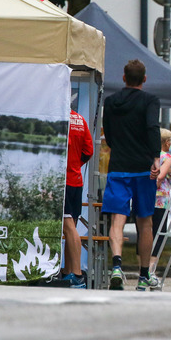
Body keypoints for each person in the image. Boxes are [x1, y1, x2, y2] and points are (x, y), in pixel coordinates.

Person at [102, 59, 162, 291]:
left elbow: (108, 133)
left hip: (118, 166)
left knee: (117, 219)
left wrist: (119, 149)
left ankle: (117, 266)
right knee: (145, 222)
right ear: (144, 79)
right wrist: (155, 158)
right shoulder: (150, 101)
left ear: (124, 78)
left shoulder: (111, 101)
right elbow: (152, 128)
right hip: (143, 169)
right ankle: (144, 274)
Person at [61, 106, 94, 288]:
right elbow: (88, 151)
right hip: (76, 181)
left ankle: (77, 275)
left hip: (63, 180)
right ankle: (67, 272)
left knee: (69, 228)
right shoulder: (80, 119)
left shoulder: (58, 118)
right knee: (70, 228)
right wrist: (75, 163)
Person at [147, 128, 171, 286]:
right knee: (159, 233)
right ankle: (151, 269)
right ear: (165, 142)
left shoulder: (150, 155)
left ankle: (143, 267)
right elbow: (161, 175)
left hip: (146, 197)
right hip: (160, 200)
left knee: (145, 230)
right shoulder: (167, 157)